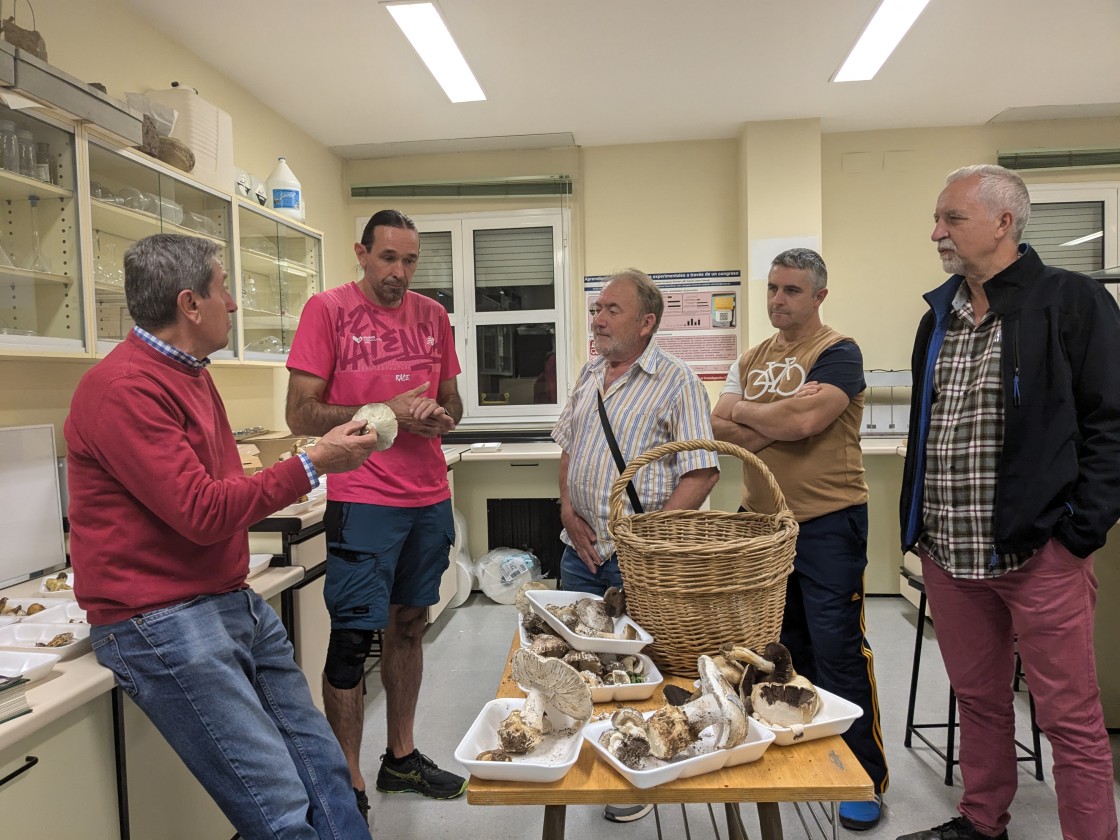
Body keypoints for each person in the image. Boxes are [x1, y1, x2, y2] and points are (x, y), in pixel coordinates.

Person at [65, 234, 377, 840]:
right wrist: (313, 462)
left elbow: (219, 491)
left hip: (224, 599)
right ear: (190, 303)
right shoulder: (124, 387)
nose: (233, 303)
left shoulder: (189, 373)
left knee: (324, 770)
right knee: (281, 809)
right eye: (223, 288)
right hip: (159, 619)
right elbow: (202, 511)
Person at [896, 165, 1120, 840]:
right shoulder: (938, 318)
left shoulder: (1071, 302)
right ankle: (981, 819)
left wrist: (1079, 534)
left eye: (952, 219)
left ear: (1003, 222)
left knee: (1069, 719)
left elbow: (1111, 422)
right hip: (950, 553)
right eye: (937, 219)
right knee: (979, 702)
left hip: (1039, 554)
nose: (938, 232)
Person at [285, 209, 466, 815]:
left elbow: (453, 403)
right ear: (361, 253)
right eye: (388, 258)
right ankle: (347, 784)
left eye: (410, 260)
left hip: (427, 496)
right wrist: (381, 410)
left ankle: (401, 759)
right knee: (351, 640)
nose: (400, 272)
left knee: (410, 624)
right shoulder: (328, 310)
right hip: (363, 501)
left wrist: (440, 417)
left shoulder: (433, 316)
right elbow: (302, 415)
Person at [711, 247, 888, 832]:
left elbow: (805, 424)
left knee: (837, 650)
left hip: (829, 523)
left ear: (819, 296)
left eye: (791, 290)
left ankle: (862, 776)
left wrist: (753, 414)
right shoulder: (752, 356)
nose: (778, 300)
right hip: (763, 527)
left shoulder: (837, 351)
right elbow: (718, 424)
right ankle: (802, 753)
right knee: (779, 652)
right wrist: (771, 414)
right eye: (773, 289)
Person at [553, 268, 719, 822]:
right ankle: (582, 754)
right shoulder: (588, 373)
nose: (598, 319)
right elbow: (570, 450)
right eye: (597, 309)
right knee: (580, 663)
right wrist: (567, 511)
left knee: (641, 670)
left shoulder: (678, 382)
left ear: (647, 323)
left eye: (612, 311)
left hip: (636, 559)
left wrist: (647, 543)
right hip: (579, 549)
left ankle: (641, 772)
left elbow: (701, 473)